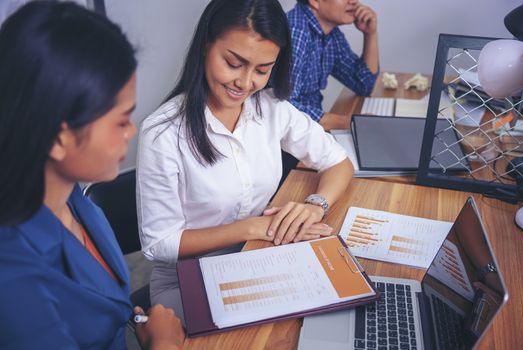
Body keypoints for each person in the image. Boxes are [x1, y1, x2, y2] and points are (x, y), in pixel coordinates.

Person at [136, 0, 354, 322]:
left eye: (262, 70)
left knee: (339, 301)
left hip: (258, 255)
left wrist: (315, 205)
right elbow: (159, 244)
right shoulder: (163, 132)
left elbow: (338, 161)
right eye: (234, 63)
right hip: (189, 280)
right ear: (206, 45)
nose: (245, 82)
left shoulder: (269, 107)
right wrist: (253, 227)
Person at [0, 2, 183, 349]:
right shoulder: (12, 283)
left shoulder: (69, 195)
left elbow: (106, 303)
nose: (132, 131)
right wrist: (164, 345)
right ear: (58, 136)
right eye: (120, 120)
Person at [287, 0, 379, 130]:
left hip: (310, 135)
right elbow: (284, 108)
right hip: (289, 143)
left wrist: (370, 34)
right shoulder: (296, 34)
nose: (354, 1)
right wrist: (347, 122)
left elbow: (364, 85)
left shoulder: (331, 33)